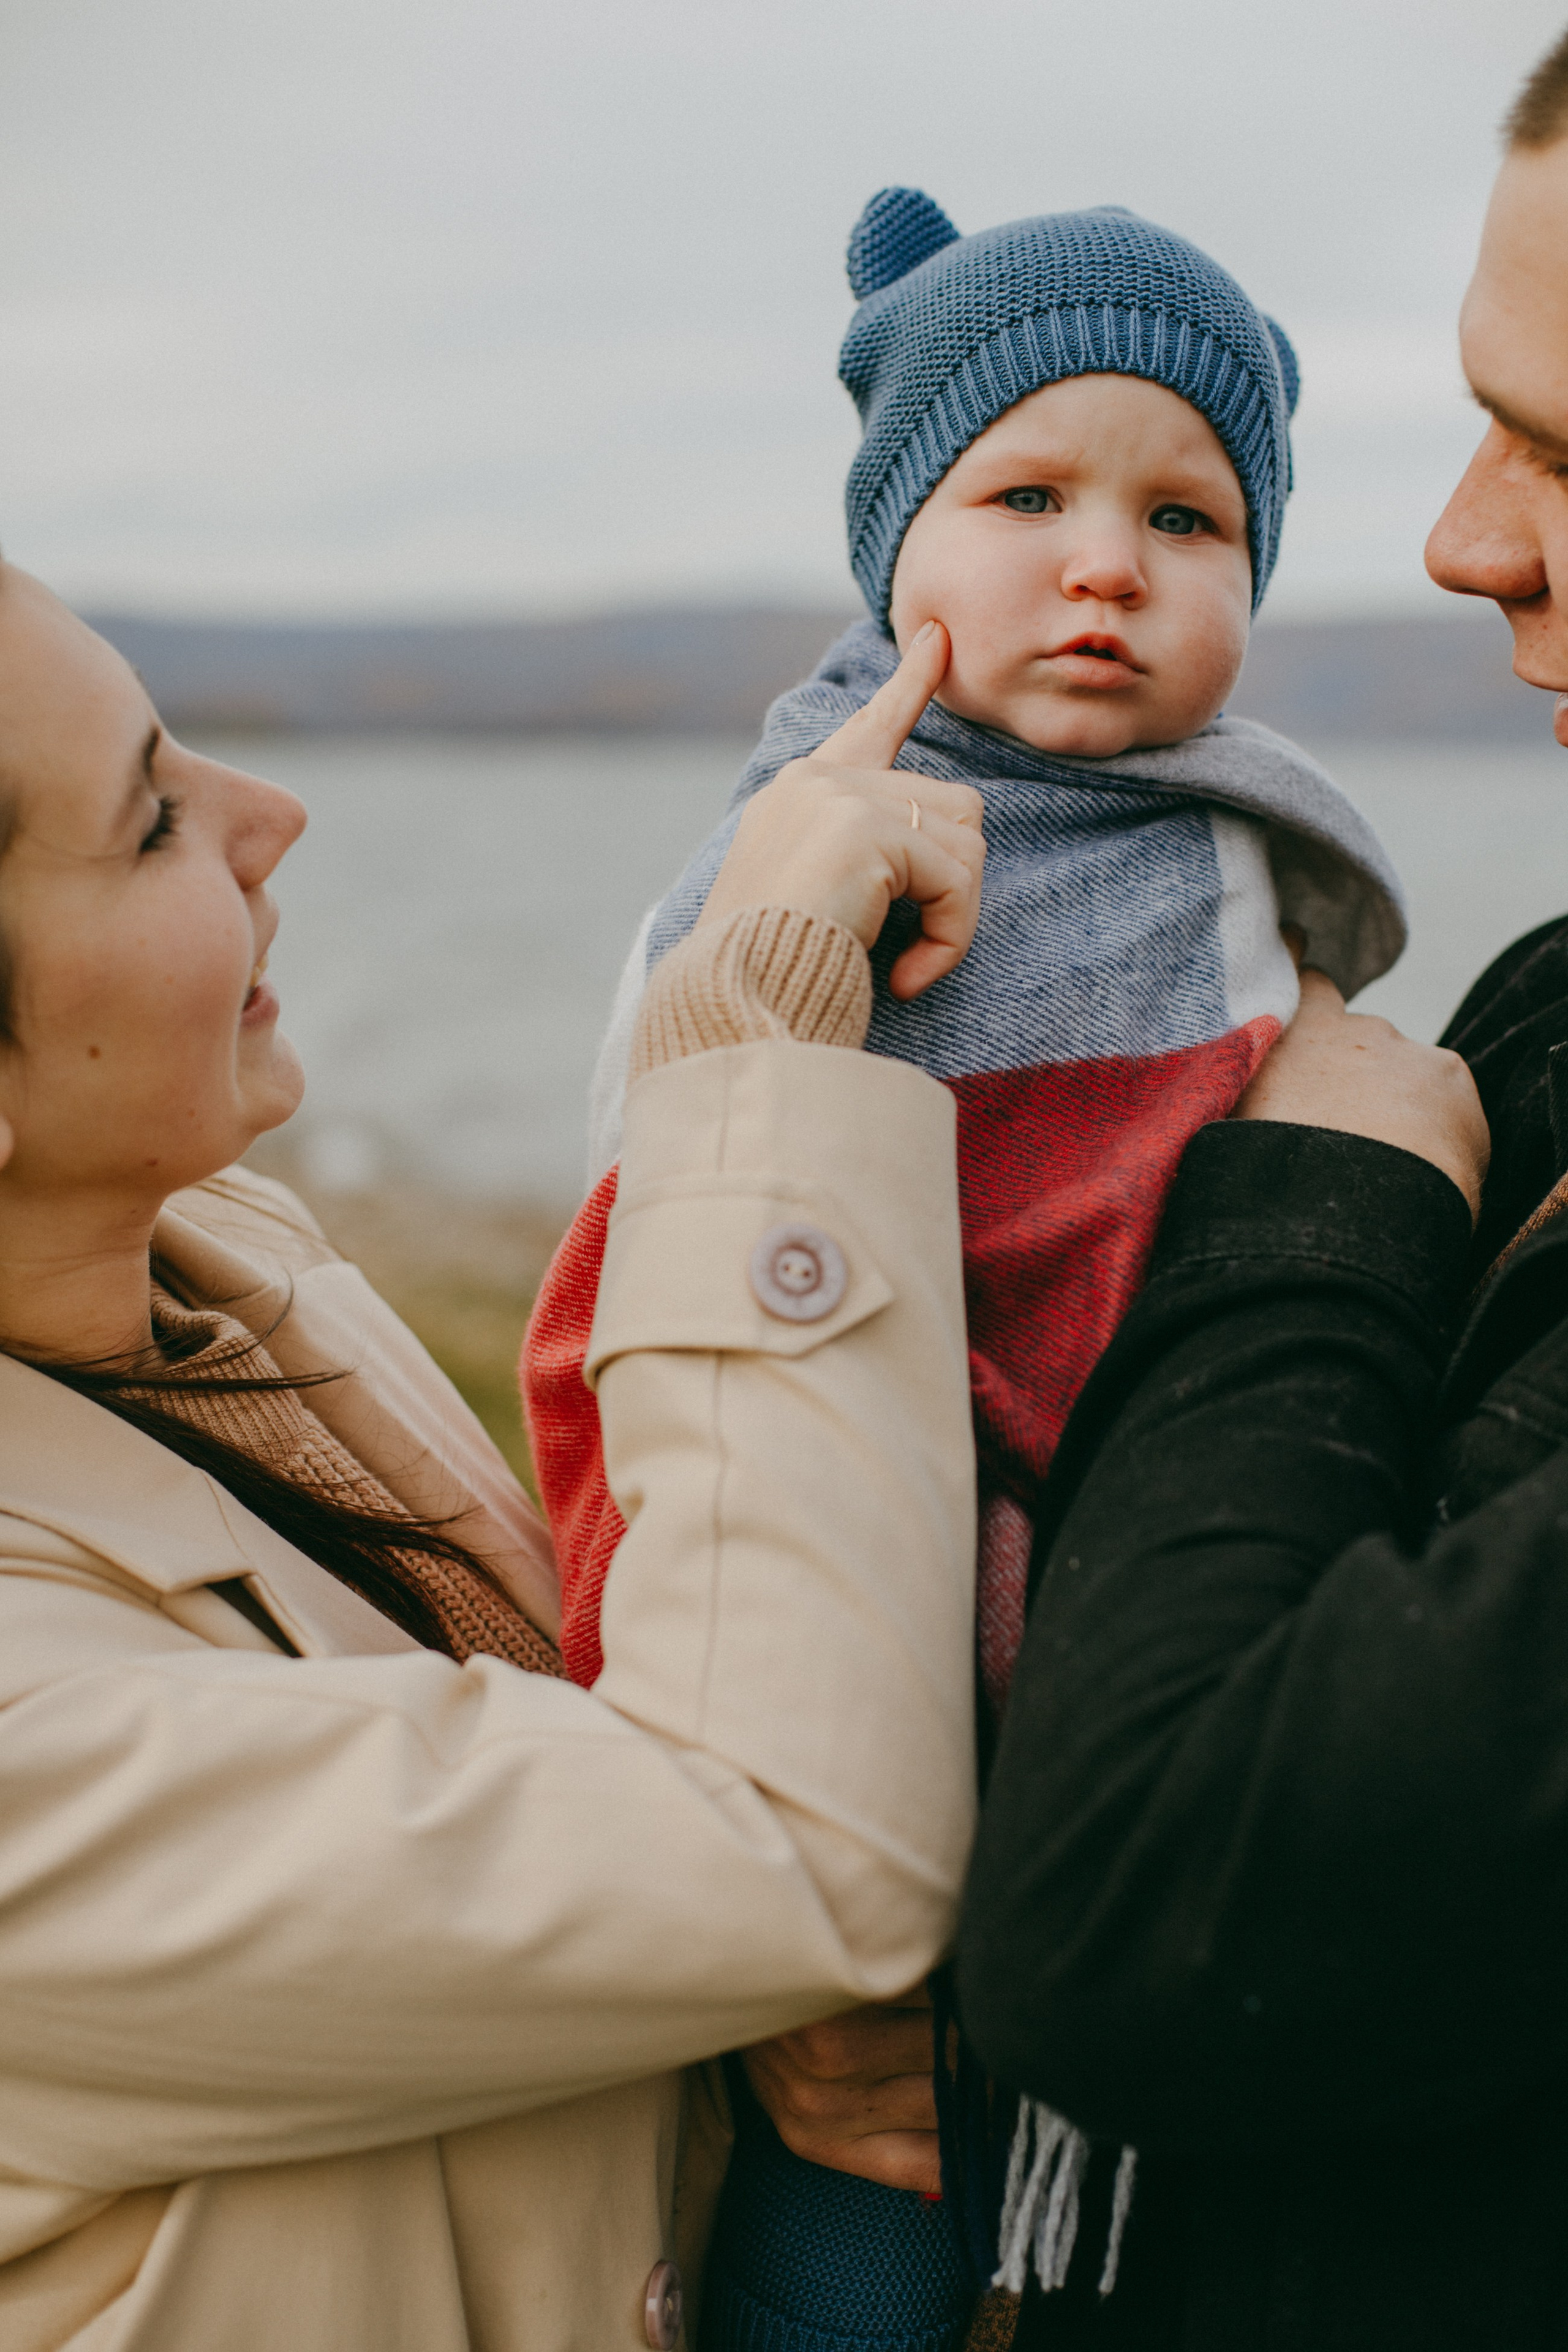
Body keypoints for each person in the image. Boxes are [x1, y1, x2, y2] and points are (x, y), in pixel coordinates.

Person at [521, 194, 1403, 2351]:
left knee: (1119, 2144)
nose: (1107, 563)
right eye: (1027, 495)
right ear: (896, 544)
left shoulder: (1232, 844)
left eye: (1189, 521)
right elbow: (678, 1226)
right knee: (873, 2153)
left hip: (1134, 1546)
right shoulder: (816, 827)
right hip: (852, 1550)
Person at [0, 562, 987, 2352]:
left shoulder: (227, 1266)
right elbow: (783, 1845)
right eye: (150, 820)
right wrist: (750, 1048)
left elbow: (595, 1793)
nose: (270, 811)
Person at [954, 23, 1568, 2348]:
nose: (1461, 540)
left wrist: (1314, 1216)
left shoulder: (1427, 1083)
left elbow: (1135, 1911)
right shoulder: (1542, 1006)